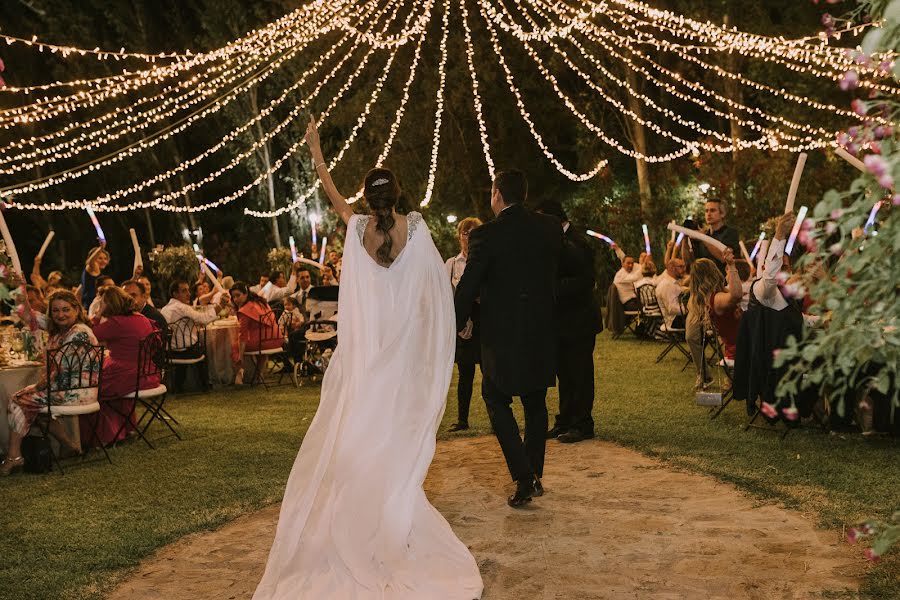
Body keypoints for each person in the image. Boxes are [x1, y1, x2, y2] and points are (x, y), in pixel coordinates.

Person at [251, 116, 483, 599]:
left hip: (366, 357)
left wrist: (316, 148)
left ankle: (364, 521)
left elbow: (333, 196)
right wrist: (439, 332)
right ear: (398, 194)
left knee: (360, 441)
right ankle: (388, 519)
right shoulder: (414, 229)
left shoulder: (356, 229)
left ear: (368, 196)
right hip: (399, 359)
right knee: (393, 441)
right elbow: (435, 289)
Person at [455, 169, 562, 508]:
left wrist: (455, 324)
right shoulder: (549, 228)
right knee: (535, 402)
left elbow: (468, 286)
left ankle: (524, 475)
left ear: (497, 194)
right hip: (542, 330)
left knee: (494, 395)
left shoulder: (485, 235)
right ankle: (533, 474)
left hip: (502, 335)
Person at [1, 290, 97, 475]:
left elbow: (59, 369)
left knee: (17, 400)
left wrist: (38, 386)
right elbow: (27, 315)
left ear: (76, 309)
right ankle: (71, 446)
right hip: (69, 388)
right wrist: (19, 291)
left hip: (77, 392)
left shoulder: (79, 333)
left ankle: (14, 456)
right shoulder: (62, 329)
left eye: (66, 310)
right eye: (55, 311)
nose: (60, 314)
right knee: (32, 406)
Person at [537, 200, 601, 444]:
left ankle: (582, 424)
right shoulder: (560, 241)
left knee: (580, 374)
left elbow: (585, 281)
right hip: (564, 322)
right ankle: (564, 420)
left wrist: (550, 289)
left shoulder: (576, 243)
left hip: (579, 321)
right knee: (565, 373)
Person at [88, 286, 159, 446]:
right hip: (148, 373)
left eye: (103, 303)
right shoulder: (140, 317)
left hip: (128, 376)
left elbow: (88, 335)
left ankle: (110, 433)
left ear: (109, 304)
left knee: (91, 387)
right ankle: (125, 426)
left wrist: (98, 315)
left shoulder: (116, 323)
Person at [445, 216, 483, 432]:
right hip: (461, 322)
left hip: (483, 322)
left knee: (490, 373)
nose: (467, 237)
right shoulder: (452, 264)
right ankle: (462, 419)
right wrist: (459, 322)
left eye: (472, 233)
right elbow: (445, 294)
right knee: (464, 373)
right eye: (464, 233)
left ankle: (496, 417)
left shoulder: (486, 261)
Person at [687, 250, 743, 388]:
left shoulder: (715, 295)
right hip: (744, 347)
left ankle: (729, 379)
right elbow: (736, 296)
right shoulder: (716, 299)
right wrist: (731, 266)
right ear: (713, 273)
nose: (726, 274)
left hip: (740, 344)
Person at [655, 257, 687, 330]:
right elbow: (672, 309)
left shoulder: (672, 283)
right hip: (674, 321)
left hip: (678, 318)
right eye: (681, 267)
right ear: (672, 268)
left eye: (684, 266)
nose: (684, 269)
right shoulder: (667, 285)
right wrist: (690, 309)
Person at [80, 246, 110, 310]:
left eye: (105, 258)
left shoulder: (89, 274)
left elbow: (79, 292)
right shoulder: (93, 269)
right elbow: (90, 262)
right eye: (100, 258)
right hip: (92, 306)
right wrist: (101, 247)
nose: (103, 261)